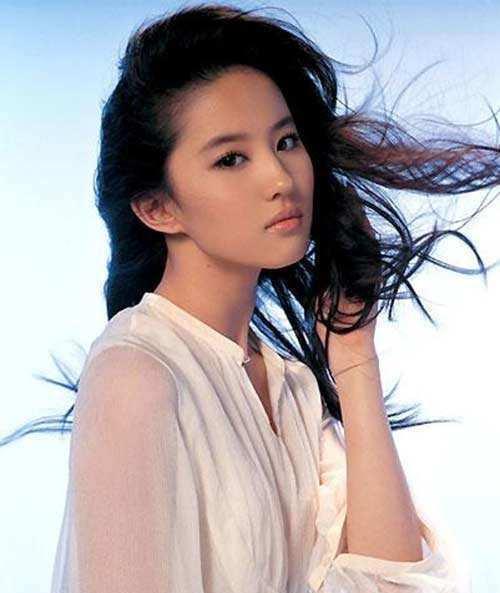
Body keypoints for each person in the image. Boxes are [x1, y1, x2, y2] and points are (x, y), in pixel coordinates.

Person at [2, 3, 499, 592]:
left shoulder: (292, 387)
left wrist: (353, 357)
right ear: (158, 207)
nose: (280, 179)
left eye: (286, 141)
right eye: (231, 158)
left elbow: (394, 585)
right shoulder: (137, 373)